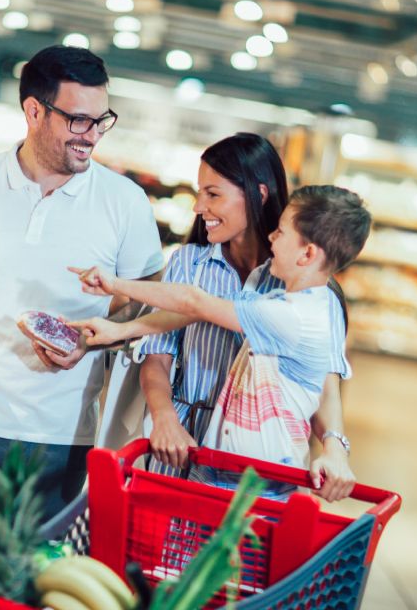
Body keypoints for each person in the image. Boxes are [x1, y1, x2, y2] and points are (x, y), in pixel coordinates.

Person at [0, 45, 163, 609]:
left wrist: (91, 336)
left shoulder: (126, 204)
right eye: (77, 120)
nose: (91, 135)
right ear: (34, 111)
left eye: (101, 120)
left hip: (62, 435)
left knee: (22, 592)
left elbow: (147, 309)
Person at [70, 183, 368, 499]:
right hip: (230, 474)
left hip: (250, 490)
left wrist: (114, 283)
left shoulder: (288, 315)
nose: (271, 237)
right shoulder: (304, 302)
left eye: (281, 233)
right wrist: (120, 330)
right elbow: (199, 310)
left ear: (307, 253)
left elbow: (194, 302)